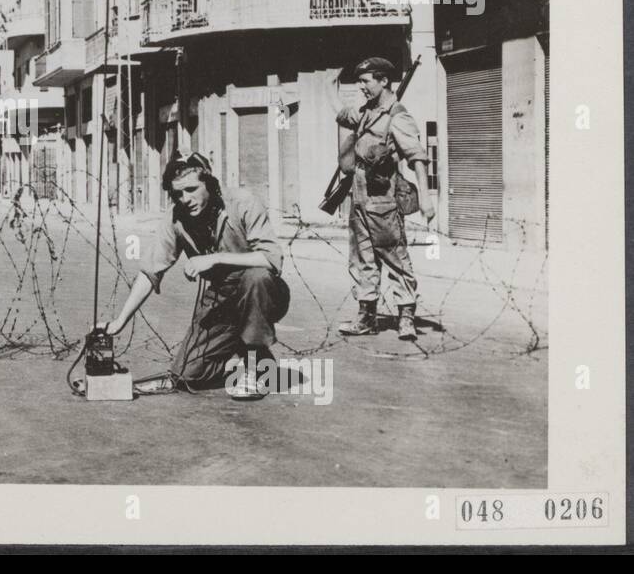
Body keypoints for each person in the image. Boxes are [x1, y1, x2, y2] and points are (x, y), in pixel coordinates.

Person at [95, 152, 290, 399]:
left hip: (265, 292)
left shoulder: (243, 202)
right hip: (222, 296)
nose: (185, 199)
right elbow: (150, 271)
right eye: (178, 194)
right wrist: (120, 321)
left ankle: (256, 365)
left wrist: (214, 258)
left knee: (256, 277)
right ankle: (236, 346)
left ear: (210, 184)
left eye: (191, 189)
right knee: (189, 375)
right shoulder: (176, 217)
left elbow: (271, 259)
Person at [329, 57, 435, 340]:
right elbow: (342, 113)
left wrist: (425, 197)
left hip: (383, 199)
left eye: (365, 81)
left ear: (384, 81)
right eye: (359, 82)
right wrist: (331, 86)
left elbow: (418, 157)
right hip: (359, 197)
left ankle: (406, 317)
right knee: (362, 258)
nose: (361, 87)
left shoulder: (397, 116)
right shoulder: (366, 112)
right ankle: (366, 317)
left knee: (395, 256)